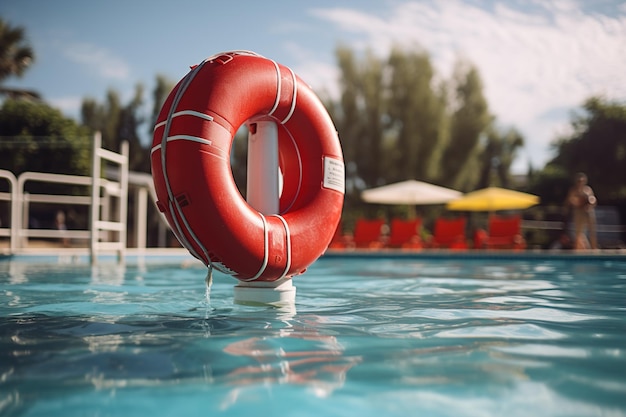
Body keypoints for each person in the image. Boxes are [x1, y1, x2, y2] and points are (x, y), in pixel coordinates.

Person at [566, 172, 597, 249]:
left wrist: (590, 203)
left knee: (592, 231)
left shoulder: (588, 189)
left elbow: (593, 199)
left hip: (588, 211)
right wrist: (578, 202)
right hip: (579, 212)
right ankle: (577, 249)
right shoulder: (573, 190)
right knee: (578, 232)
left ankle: (594, 248)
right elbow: (570, 200)